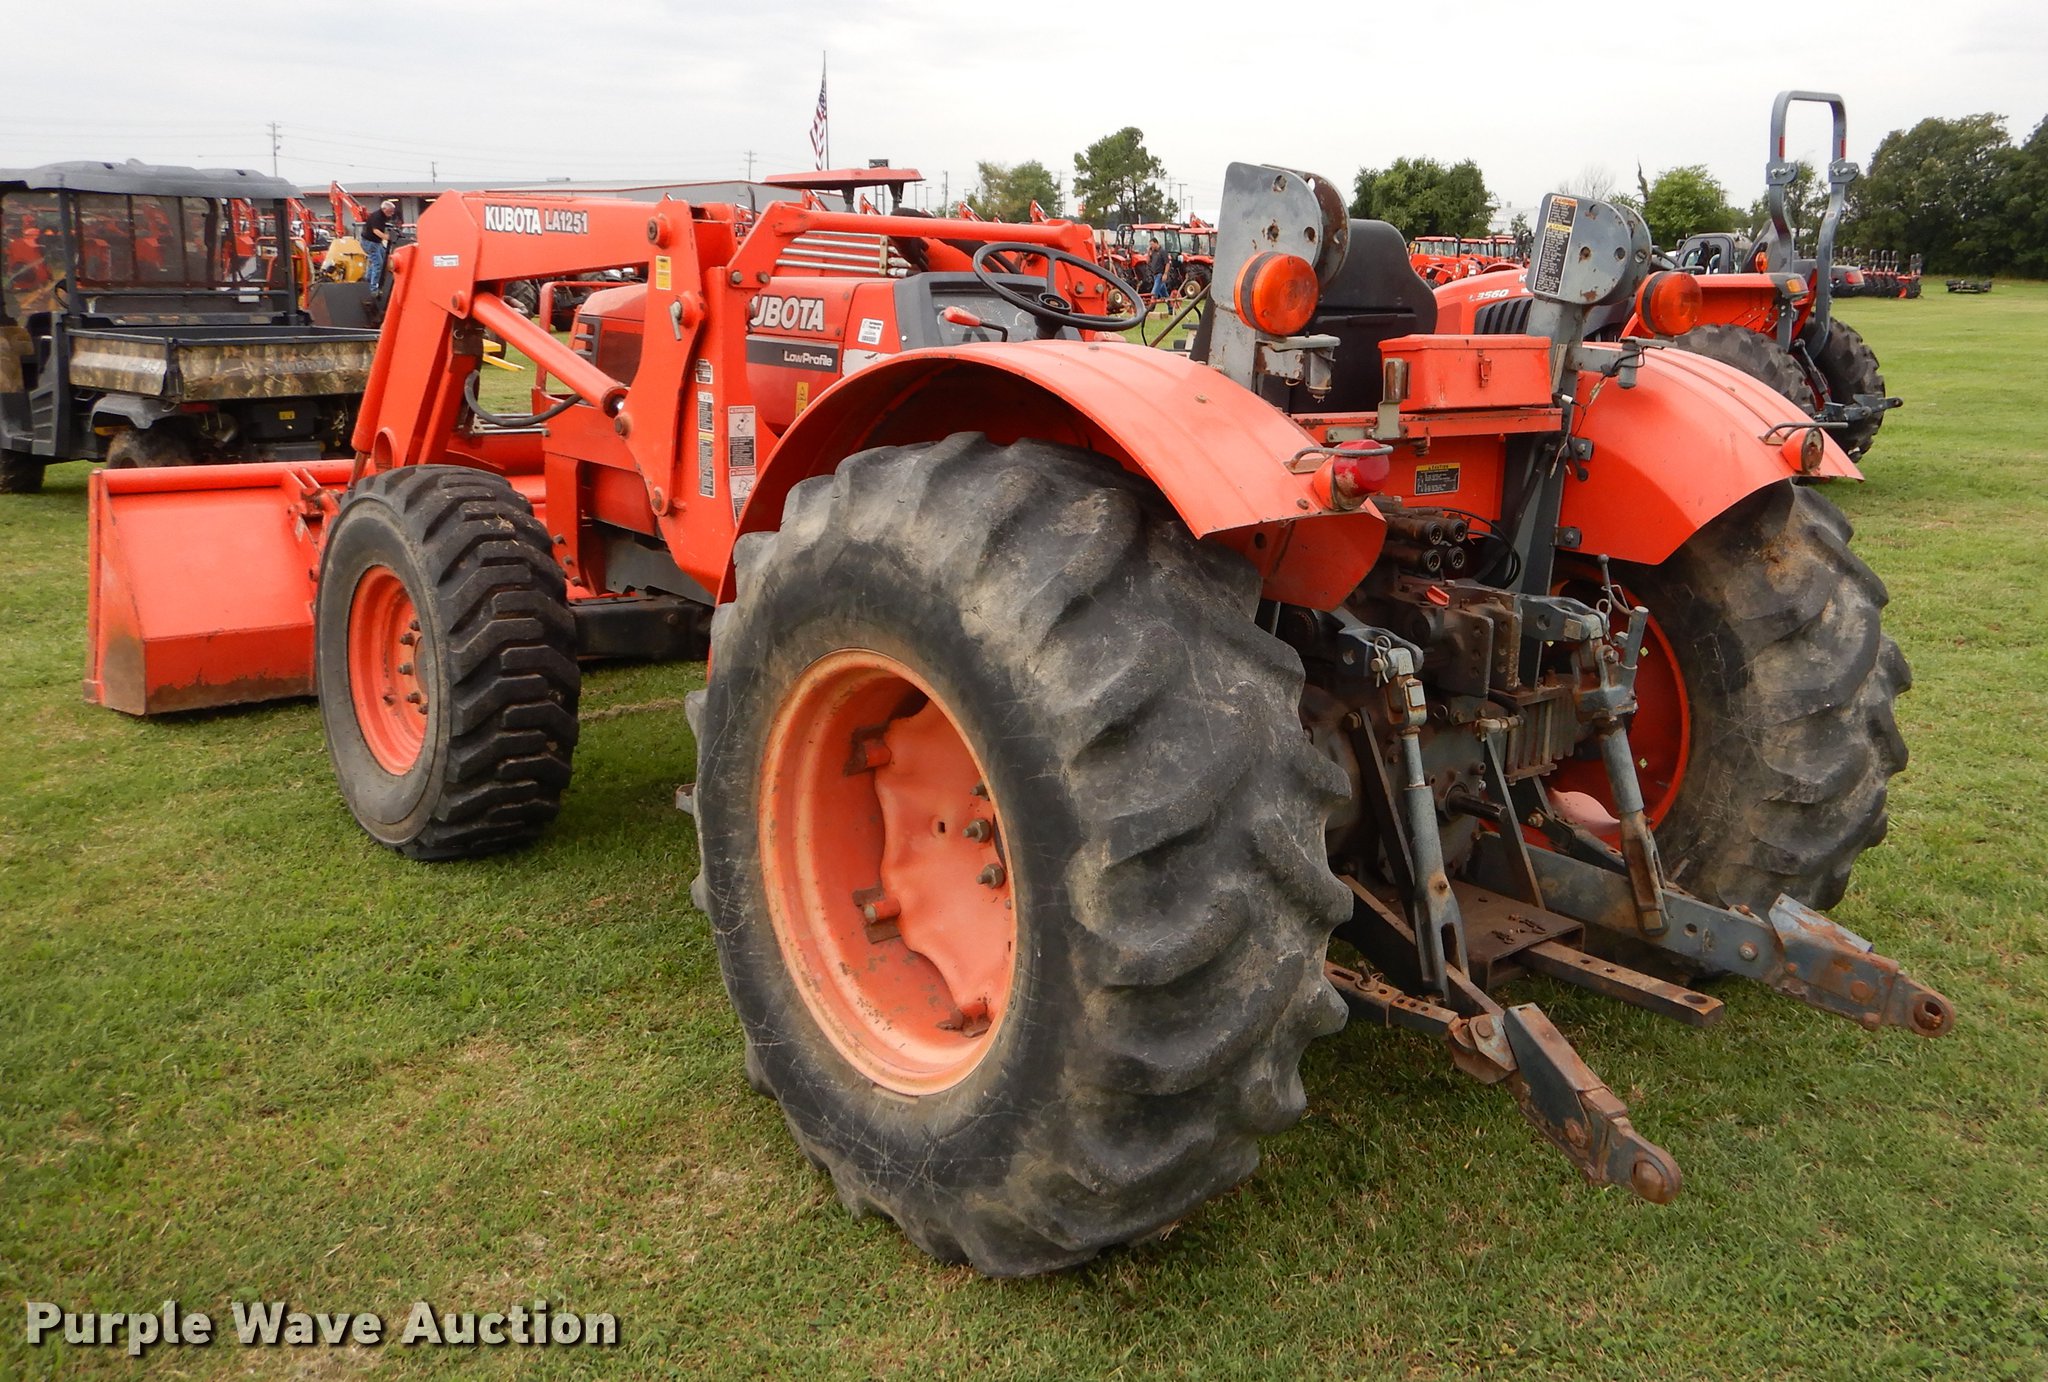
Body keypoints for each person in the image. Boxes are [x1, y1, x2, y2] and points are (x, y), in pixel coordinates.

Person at [361, 198, 399, 291]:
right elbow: (376, 230)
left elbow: (383, 226)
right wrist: (386, 237)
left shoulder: (383, 217)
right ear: (384, 209)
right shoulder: (377, 216)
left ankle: (368, 279)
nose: (392, 213)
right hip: (370, 242)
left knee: (383, 258)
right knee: (378, 263)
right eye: (390, 211)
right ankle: (374, 288)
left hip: (376, 242)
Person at [1146, 237, 1168, 306]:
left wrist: (1165, 274)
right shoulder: (1153, 252)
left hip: (1160, 274)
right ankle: (1170, 306)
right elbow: (1147, 261)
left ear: (1156, 243)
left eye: (1152, 244)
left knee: (1154, 292)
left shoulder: (1162, 251)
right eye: (1150, 245)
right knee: (1164, 293)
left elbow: (1167, 263)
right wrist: (1148, 253)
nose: (1151, 246)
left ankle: (1149, 308)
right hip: (1154, 275)